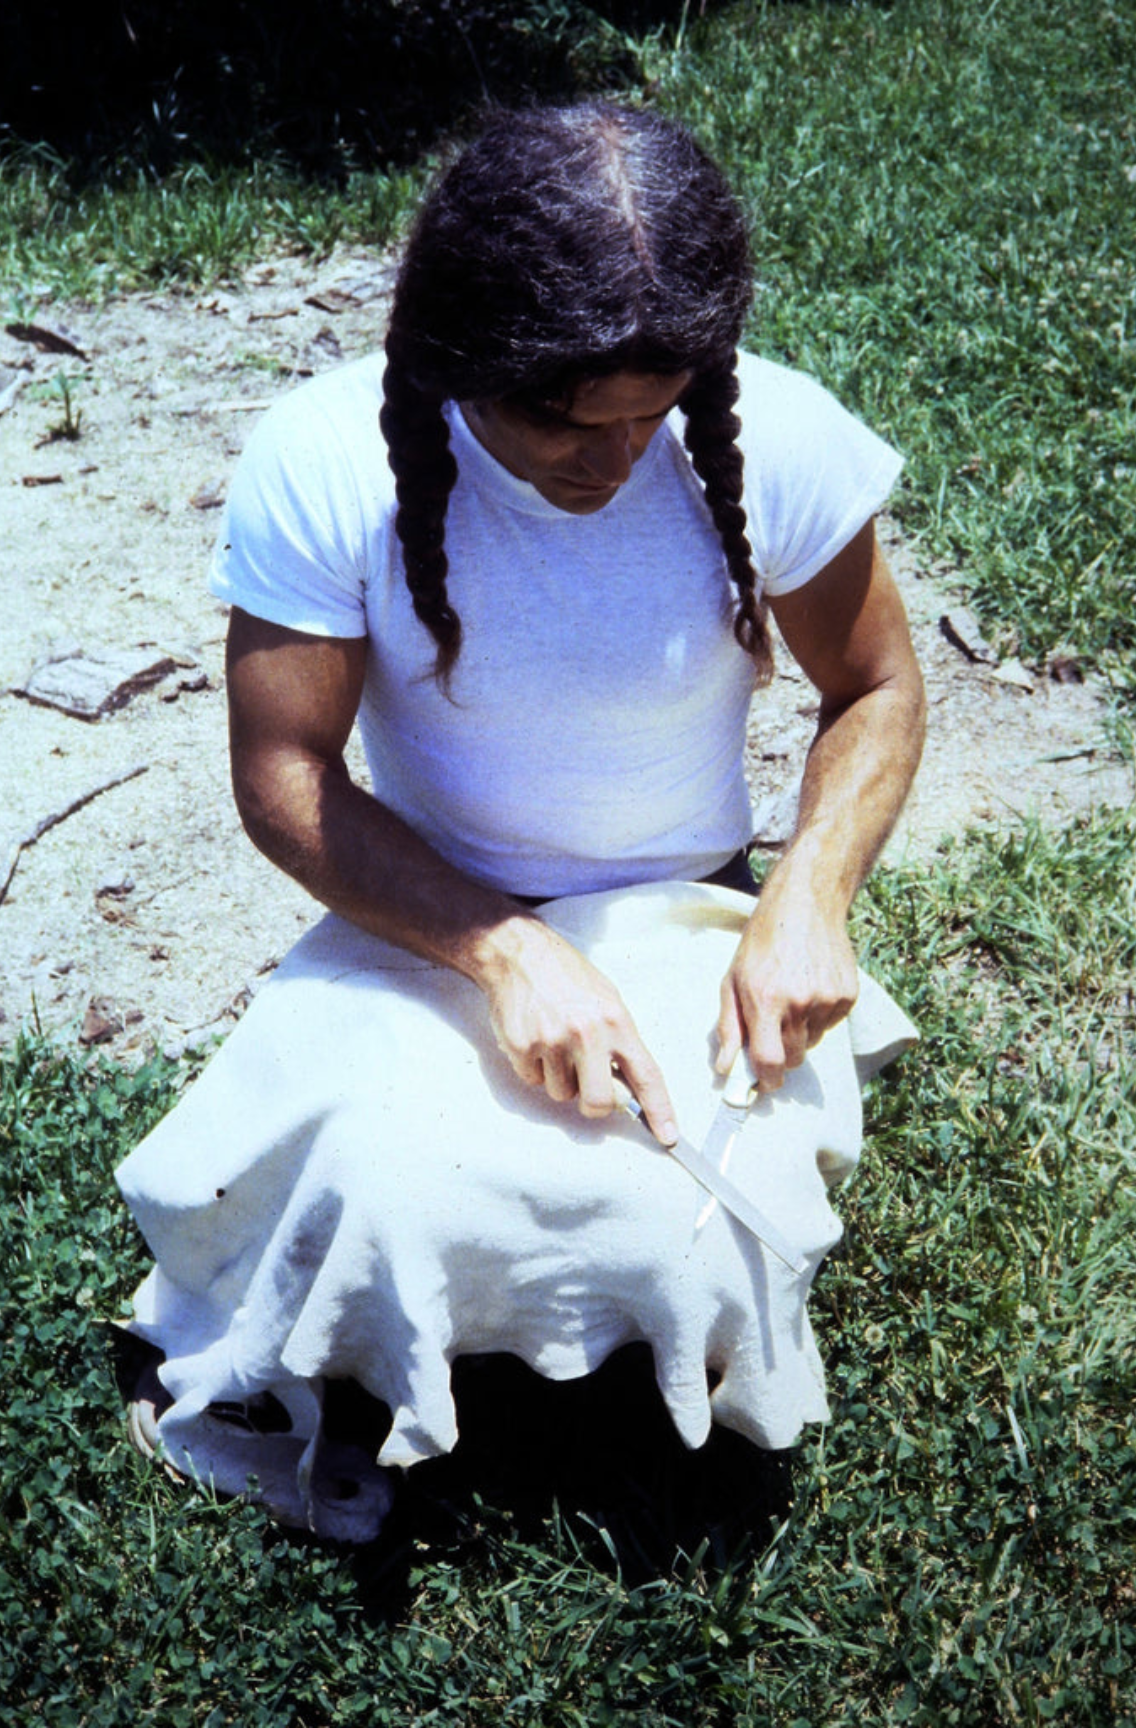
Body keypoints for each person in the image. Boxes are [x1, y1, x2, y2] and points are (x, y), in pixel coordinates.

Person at [117, 100, 924, 1540]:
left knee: (682, 1238)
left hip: (687, 910)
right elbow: (284, 775)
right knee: (385, 1197)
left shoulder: (779, 438)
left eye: (649, 412)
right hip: (423, 915)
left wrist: (807, 900)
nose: (605, 462)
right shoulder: (325, 456)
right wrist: (500, 948)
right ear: (456, 358)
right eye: (555, 414)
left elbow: (876, 687)